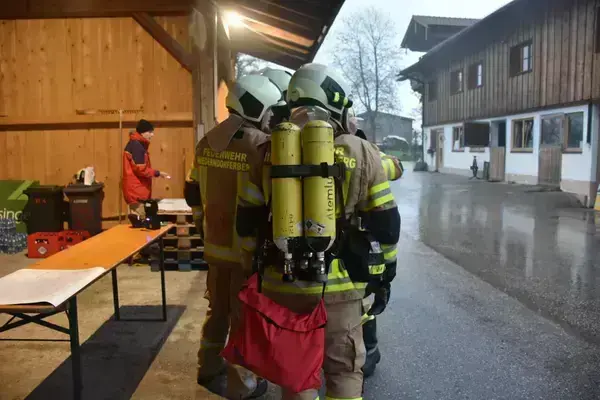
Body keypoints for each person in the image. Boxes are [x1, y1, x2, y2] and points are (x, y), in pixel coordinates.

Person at [236, 63, 401, 400]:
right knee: (343, 373)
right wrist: (384, 277)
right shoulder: (362, 151)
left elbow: (246, 224)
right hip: (340, 293)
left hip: (282, 286)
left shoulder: (265, 150)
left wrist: (254, 274)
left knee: (297, 375)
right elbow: (387, 227)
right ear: (333, 99)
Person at [184, 74, 284, 399]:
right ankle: (243, 385)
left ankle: (208, 367)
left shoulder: (206, 141)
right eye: (268, 111)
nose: (270, 118)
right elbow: (272, 201)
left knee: (217, 313)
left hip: (214, 250)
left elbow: (192, 192)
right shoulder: (260, 146)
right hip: (246, 253)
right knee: (244, 321)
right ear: (255, 106)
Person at [349, 120, 403, 378]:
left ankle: (369, 350)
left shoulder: (365, 152)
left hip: (358, 245)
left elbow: (387, 223)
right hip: (351, 247)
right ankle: (367, 351)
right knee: (361, 299)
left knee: (363, 299)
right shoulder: (363, 151)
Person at [122, 119, 170, 219]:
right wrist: (158, 173)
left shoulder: (136, 144)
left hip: (136, 191)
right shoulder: (137, 146)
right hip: (137, 193)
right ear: (142, 132)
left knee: (138, 222)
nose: (152, 135)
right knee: (140, 223)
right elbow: (141, 170)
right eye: (150, 132)